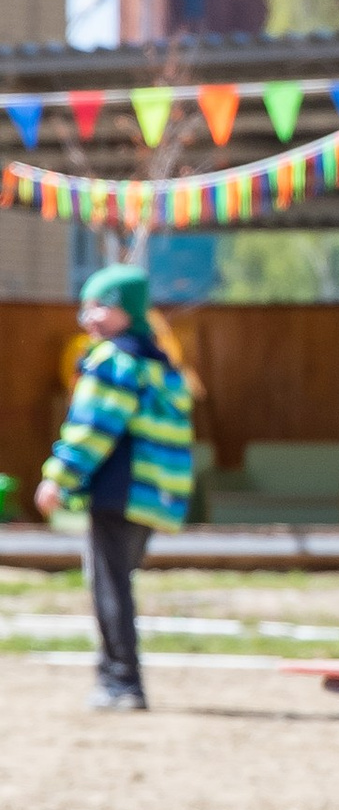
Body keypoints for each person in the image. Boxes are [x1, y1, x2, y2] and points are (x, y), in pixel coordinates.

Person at [34, 266, 196, 712]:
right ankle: (118, 676)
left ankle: (121, 681)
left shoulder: (112, 362)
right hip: (154, 494)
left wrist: (58, 477)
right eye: (85, 307)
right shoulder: (161, 365)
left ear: (129, 311)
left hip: (120, 490)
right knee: (117, 581)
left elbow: (92, 427)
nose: (89, 318)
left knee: (108, 586)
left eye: (101, 306)